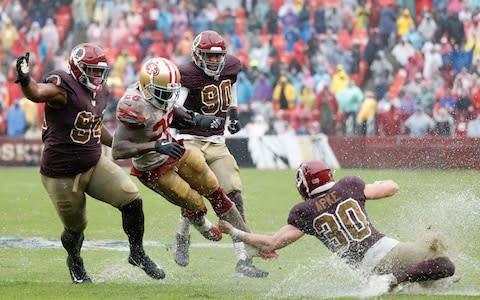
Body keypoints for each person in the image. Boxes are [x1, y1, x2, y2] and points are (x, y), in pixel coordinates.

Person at [14, 44, 164, 283]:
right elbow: (37, 93)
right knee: (76, 228)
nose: (97, 76)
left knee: (132, 200)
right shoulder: (63, 87)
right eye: (91, 70)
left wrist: (117, 143)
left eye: (99, 71)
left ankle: (137, 253)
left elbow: (94, 125)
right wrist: (24, 79)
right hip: (61, 174)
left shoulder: (100, 91)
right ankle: (74, 259)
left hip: (93, 163)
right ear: (77, 69)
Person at [111, 57, 259, 275]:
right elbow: (118, 150)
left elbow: (175, 113)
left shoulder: (165, 95)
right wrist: (155, 145)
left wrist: (198, 120)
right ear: (148, 89)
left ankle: (251, 243)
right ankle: (201, 228)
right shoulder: (134, 105)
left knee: (215, 189)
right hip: (152, 167)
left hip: (174, 150)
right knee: (195, 203)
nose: (169, 96)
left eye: (172, 91)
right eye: (164, 91)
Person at [219, 160, 455, 293]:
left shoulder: (305, 212)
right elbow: (392, 188)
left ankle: (391, 281)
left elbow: (271, 243)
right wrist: (379, 182)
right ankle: (390, 280)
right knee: (445, 264)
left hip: (364, 268)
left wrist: (234, 231)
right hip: (386, 252)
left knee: (430, 279)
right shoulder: (349, 185)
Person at [173, 30, 276, 277]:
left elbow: (230, 87)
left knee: (234, 196)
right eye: (208, 56)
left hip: (217, 142)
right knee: (193, 195)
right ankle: (183, 235)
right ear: (197, 55)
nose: (213, 61)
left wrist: (234, 112)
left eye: (217, 56)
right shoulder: (187, 74)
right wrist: (199, 118)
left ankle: (243, 261)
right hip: (189, 141)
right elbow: (173, 109)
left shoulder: (230, 67)